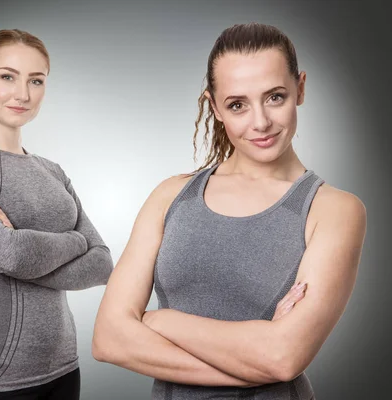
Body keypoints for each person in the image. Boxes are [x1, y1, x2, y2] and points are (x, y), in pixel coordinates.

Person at [92, 22, 366, 399]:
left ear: (300, 88)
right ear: (215, 107)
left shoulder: (334, 210)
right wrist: (254, 362)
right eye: (238, 104)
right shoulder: (171, 196)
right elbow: (109, 338)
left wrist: (161, 321)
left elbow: (284, 357)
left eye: (275, 97)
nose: (260, 122)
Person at [0, 29, 113, 400]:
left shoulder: (53, 171)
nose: (23, 94)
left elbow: (102, 263)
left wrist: (26, 251)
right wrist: (76, 241)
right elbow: (9, 254)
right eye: (7, 76)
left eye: (36, 80)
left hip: (64, 367)